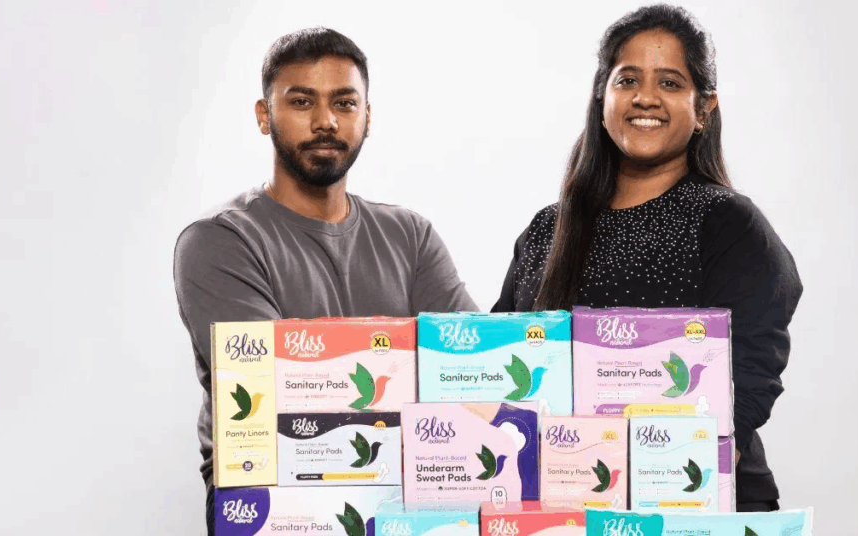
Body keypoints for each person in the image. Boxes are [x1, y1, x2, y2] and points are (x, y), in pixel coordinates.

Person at [492, 4, 802, 512]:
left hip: (693, 501)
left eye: (671, 83)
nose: (646, 97)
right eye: (628, 79)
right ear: (602, 96)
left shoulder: (726, 222)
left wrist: (684, 489)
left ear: (704, 109)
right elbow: (503, 363)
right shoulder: (549, 228)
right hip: (562, 505)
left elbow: (751, 370)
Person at [173, 28, 477, 534]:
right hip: (271, 500)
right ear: (264, 115)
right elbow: (275, 399)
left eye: (344, 103)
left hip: (402, 492)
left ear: (367, 117)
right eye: (301, 102)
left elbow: (468, 372)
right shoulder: (220, 240)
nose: (325, 121)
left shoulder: (410, 235)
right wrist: (409, 371)